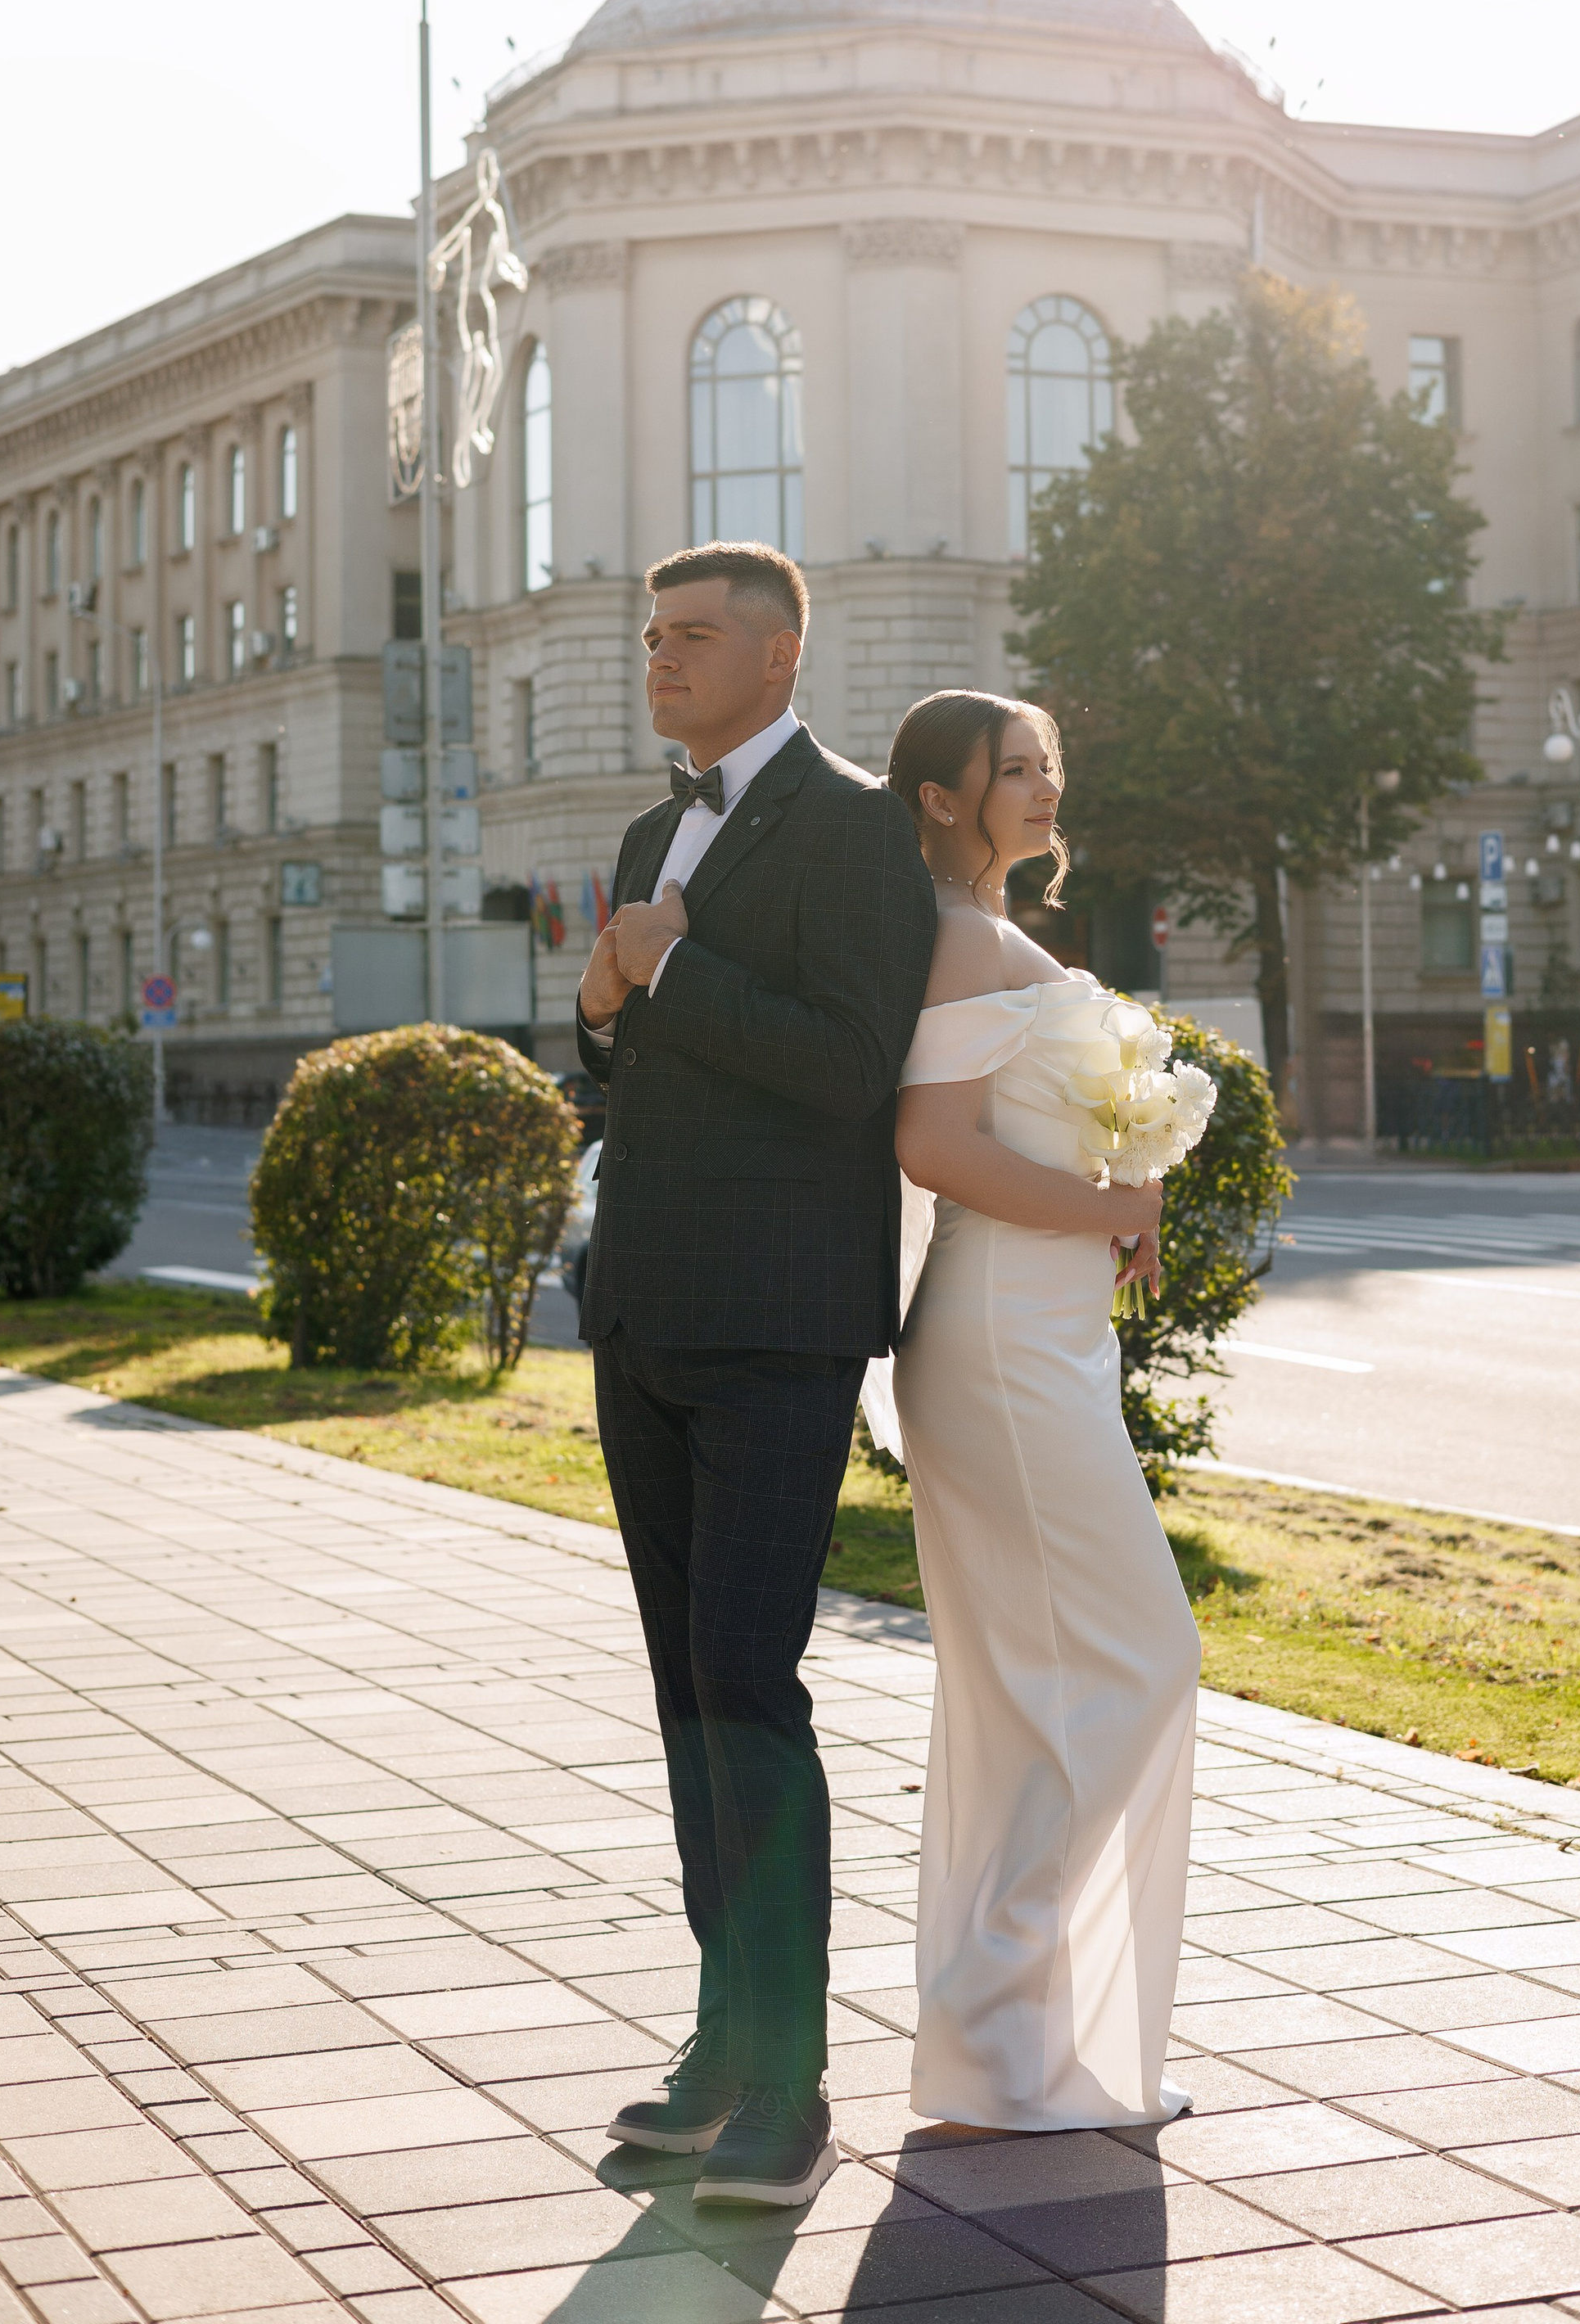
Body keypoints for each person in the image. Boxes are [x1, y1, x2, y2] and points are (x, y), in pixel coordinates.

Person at [575, 543, 936, 2205]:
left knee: (746, 1683)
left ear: (781, 658)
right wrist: (602, 1007)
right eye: (655, 636)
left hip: (780, 1323)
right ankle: (723, 2045)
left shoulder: (860, 827)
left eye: (697, 637)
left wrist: (669, 970)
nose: (664, 658)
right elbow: (630, 1064)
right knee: (684, 1691)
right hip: (645, 1311)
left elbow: (853, 1065)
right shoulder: (650, 833)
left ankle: (788, 2091)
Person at [884, 688, 1202, 2132]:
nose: (1044, 786)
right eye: (1014, 769)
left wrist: (1120, 1191)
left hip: (1043, 1335)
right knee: (1141, 1657)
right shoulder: (955, 933)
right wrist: (1110, 1204)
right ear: (941, 795)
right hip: (1003, 1342)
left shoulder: (989, 927)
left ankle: (1009, 2049)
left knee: (1035, 1694)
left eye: (1049, 765)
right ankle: (994, 2023)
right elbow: (933, 1144)